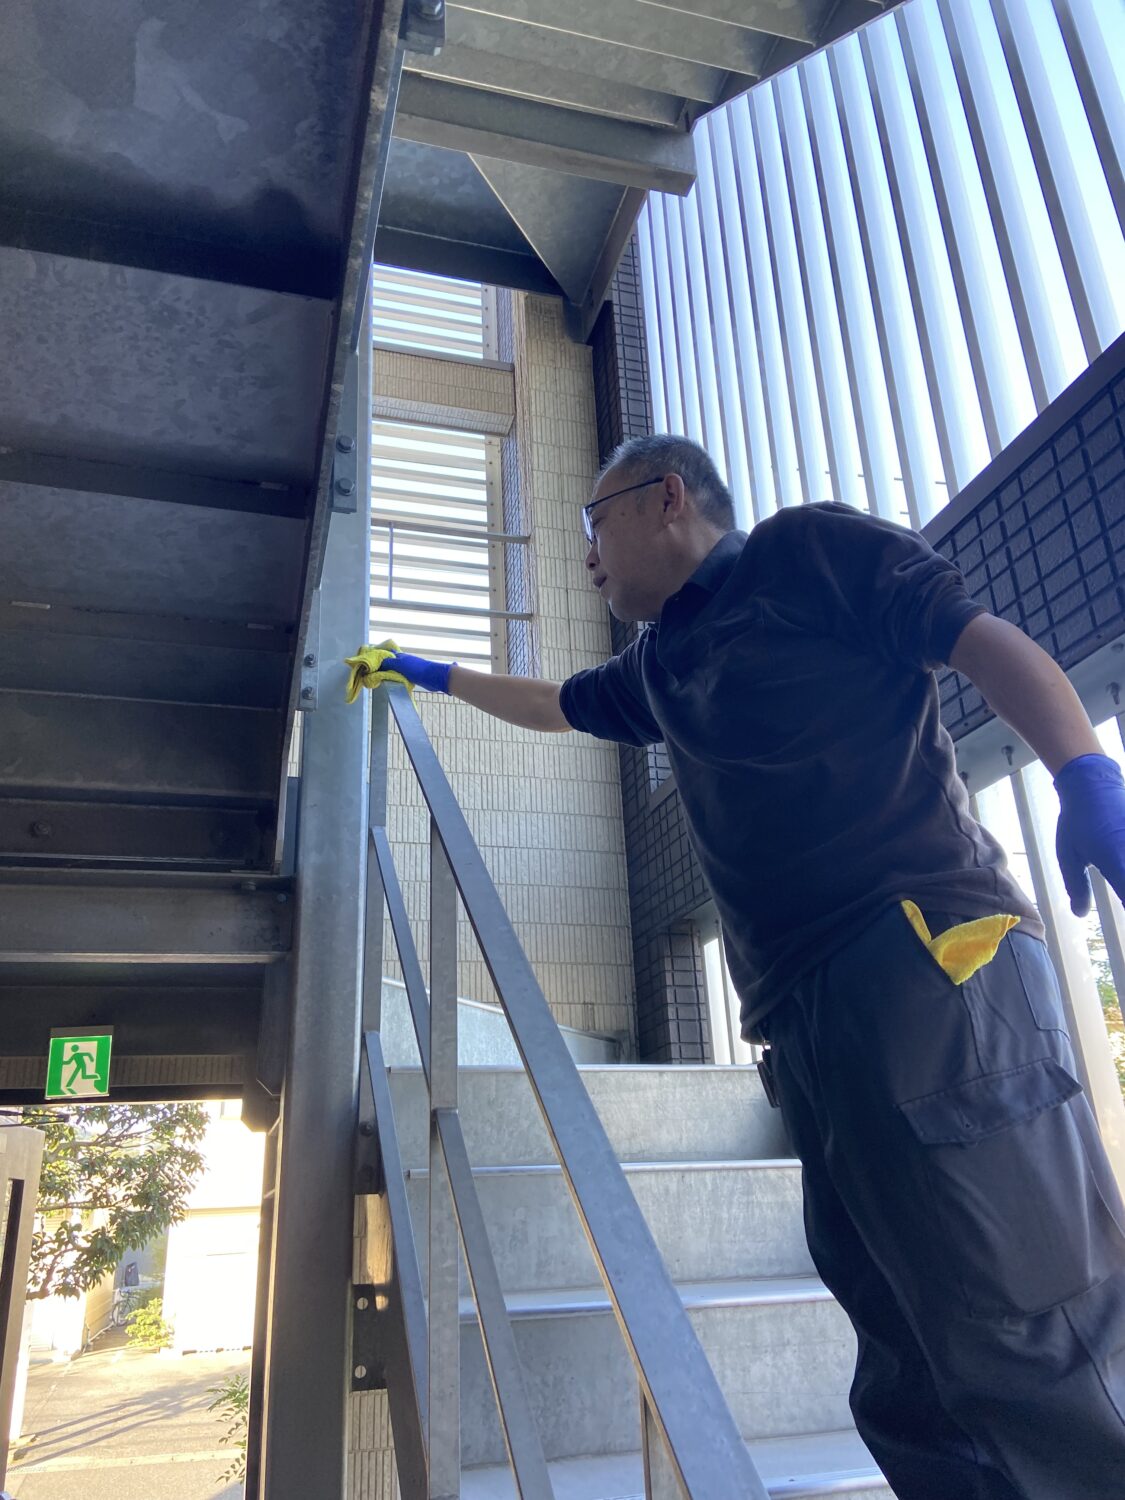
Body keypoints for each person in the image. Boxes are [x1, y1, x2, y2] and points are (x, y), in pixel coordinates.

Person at [348, 433, 1125, 1500]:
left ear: (667, 497)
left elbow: (976, 638)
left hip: (928, 964)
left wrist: (1083, 773)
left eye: (593, 522)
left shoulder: (802, 553)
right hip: (804, 1026)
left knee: (1032, 1330)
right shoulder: (661, 665)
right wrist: (427, 673)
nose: (585, 555)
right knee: (904, 1361)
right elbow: (553, 703)